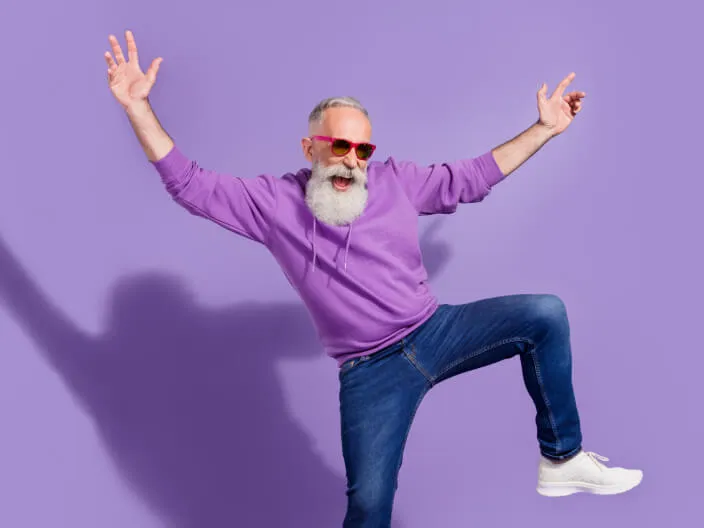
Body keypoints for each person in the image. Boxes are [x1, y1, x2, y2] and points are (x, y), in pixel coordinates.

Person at [104, 29, 643, 527]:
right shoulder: (273, 204)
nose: (352, 162)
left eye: (363, 150)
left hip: (435, 331)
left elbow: (473, 178)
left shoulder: (397, 183)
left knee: (544, 314)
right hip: (370, 373)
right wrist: (138, 107)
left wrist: (546, 128)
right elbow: (191, 187)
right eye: (339, 147)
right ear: (310, 147)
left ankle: (562, 457)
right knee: (368, 505)